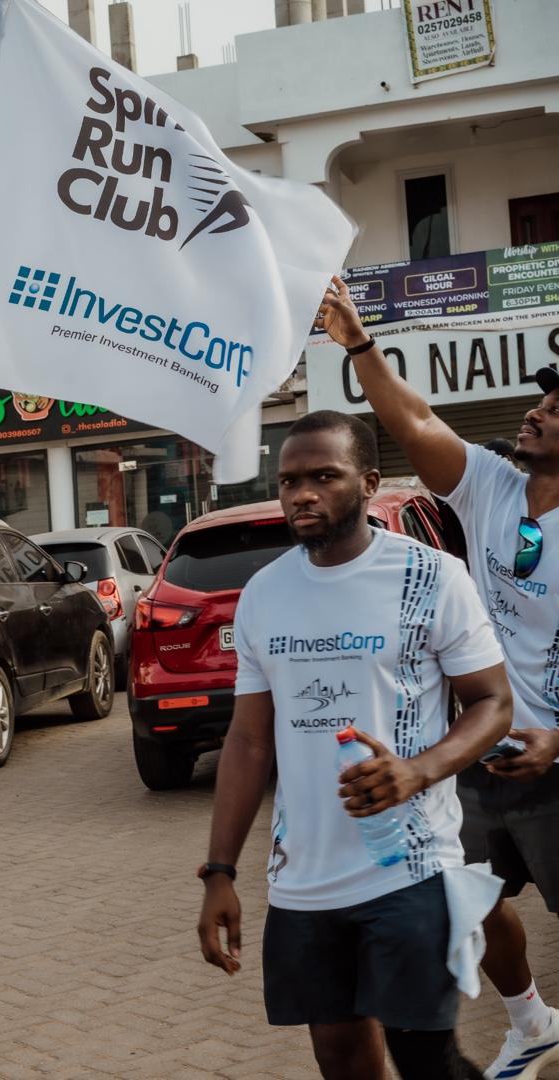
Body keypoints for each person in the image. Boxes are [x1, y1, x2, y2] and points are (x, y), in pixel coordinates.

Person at [196, 410, 512, 1080]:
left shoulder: (431, 576)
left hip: (410, 866)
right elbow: (248, 741)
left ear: (368, 483)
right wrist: (219, 870)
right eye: (289, 481)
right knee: (339, 1057)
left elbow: (493, 703)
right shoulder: (265, 593)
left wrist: (417, 772)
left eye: (324, 477)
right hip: (303, 881)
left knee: (425, 1059)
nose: (302, 494)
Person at [316, 275, 559, 1079]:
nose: (536, 412)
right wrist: (359, 342)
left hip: (556, 762)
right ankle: (532, 1023)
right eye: (540, 402)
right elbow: (414, 420)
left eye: (556, 410)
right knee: (472, 896)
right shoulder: (491, 484)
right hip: (483, 746)